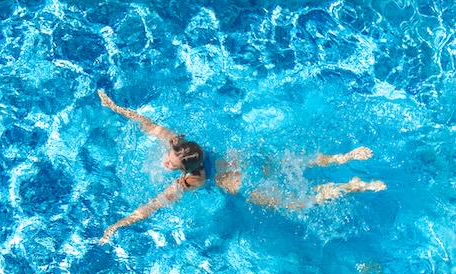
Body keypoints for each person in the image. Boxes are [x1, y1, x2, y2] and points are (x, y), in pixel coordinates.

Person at [96, 90, 387, 245]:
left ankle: (352, 185)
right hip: (247, 160)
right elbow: (147, 123)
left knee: (299, 202)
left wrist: (116, 226)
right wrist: (114, 108)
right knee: (295, 160)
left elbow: (152, 206)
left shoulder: (190, 181)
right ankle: (341, 158)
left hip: (245, 186)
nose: (165, 160)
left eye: (170, 162)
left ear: (185, 168)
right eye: (169, 156)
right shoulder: (182, 144)